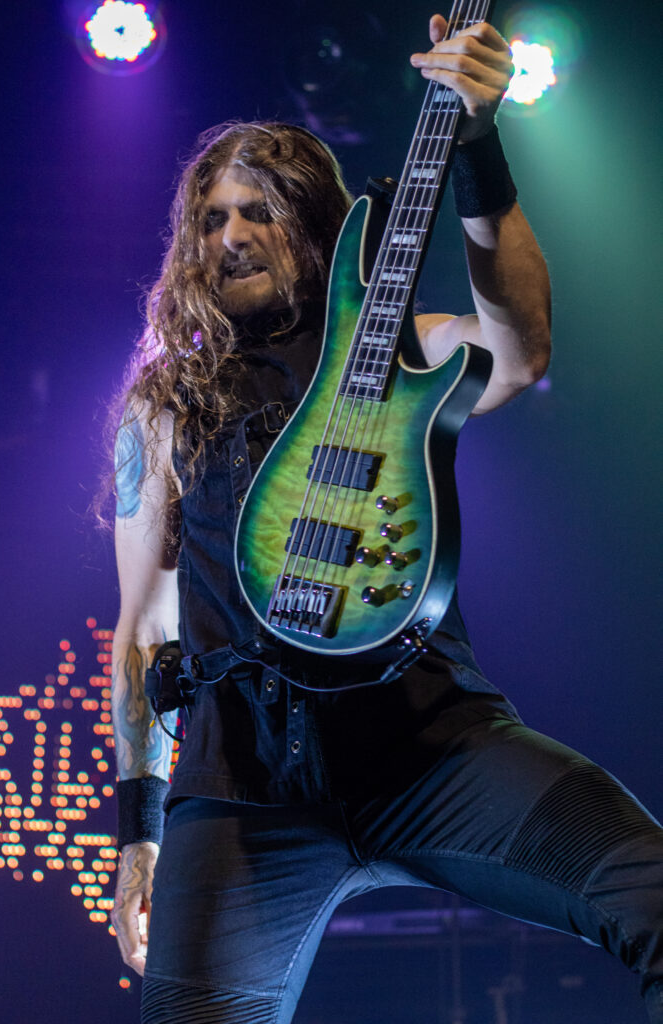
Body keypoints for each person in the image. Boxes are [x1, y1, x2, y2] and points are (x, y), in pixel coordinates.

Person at [109, 13, 663, 1024]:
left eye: (258, 212)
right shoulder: (165, 407)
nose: (230, 236)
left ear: (312, 226)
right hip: (240, 792)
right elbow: (144, 625)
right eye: (212, 218)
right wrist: (139, 831)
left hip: (430, 747)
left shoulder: (405, 345)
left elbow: (520, 349)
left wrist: (478, 148)